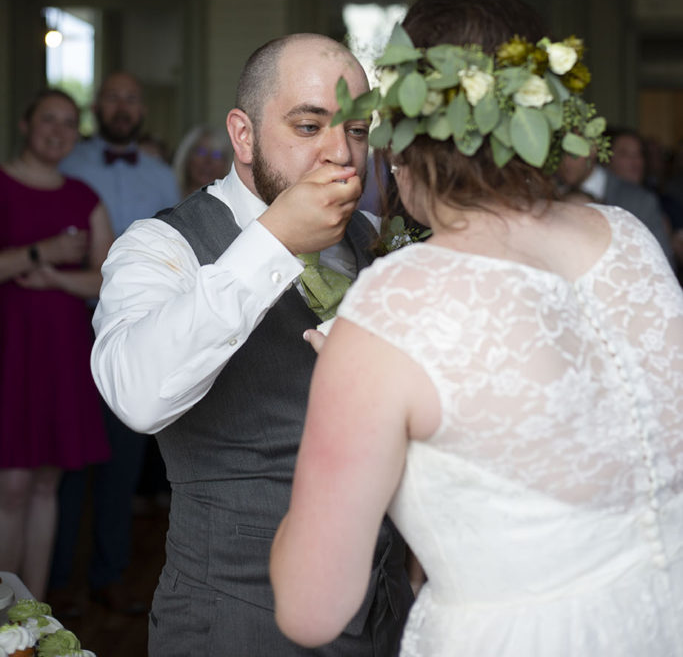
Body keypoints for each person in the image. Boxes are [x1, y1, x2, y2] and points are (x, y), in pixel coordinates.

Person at [270, 0, 683, 656]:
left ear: (401, 134)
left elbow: (311, 610)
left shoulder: (394, 304)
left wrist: (339, 398)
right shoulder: (626, 237)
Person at [90, 34, 413, 657]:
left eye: (355, 128)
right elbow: (135, 396)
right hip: (237, 618)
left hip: (384, 610)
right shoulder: (161, 245)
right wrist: (272, 242)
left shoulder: (378, 242)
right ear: (243, 136)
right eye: (309, 125)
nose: (340, 153)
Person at [50, 72, 180, 615]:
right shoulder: (67, 169)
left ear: (141, 107)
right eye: (113, 97)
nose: (122, 107)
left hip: (141, 328)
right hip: (71, 325)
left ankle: (110, 575)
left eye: (132, 97)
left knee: (122, 459)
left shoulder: (160, 175)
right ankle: (56, 582)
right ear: (97, 105)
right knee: (67, 465)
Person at [0, 89, 113, 599]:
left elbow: (109, 279)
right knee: (13, 486)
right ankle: (2, 621)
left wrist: (57, 279)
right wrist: (39, 253)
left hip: (61, 351)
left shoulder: (84, 196)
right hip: (9, 351)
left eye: (70, 122)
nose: (59, 130)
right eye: (49, 119)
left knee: (48, 485)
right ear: (25, 124)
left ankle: (32, 619)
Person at [172, 124, 231, 197]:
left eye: (217, 155)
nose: (208, 161)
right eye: (201, 152)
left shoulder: (234, 205)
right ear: (187, 157)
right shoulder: (166, 196)